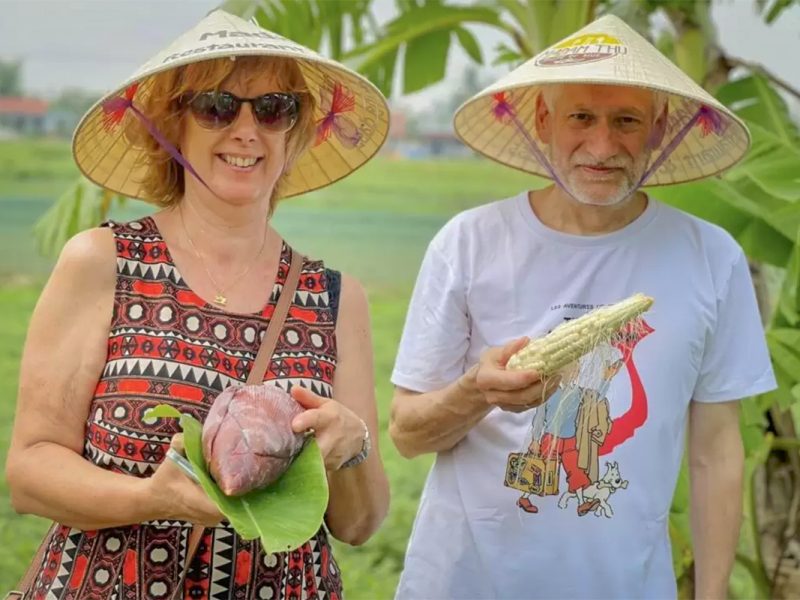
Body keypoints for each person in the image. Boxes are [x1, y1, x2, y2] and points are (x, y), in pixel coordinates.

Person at [389, 14, 776, 600]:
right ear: (544, 120)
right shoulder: (468, 243)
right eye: (580, 117)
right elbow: (407, 435)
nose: (602, 146)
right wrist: (477, 391)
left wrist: (713, 593)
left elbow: (716, 451)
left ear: (657, 127)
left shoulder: (710, 257)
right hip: (465, 582)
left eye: (626, 121)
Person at [6, 10, 390, 598]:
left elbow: (360, 525)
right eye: (216, 106)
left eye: (273, 109)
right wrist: (150, 499)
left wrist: (353, 443)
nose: (246, 130)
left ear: (293, 133)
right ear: (172, 125)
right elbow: (30, 472)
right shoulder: (104, 262)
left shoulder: (335, 299)